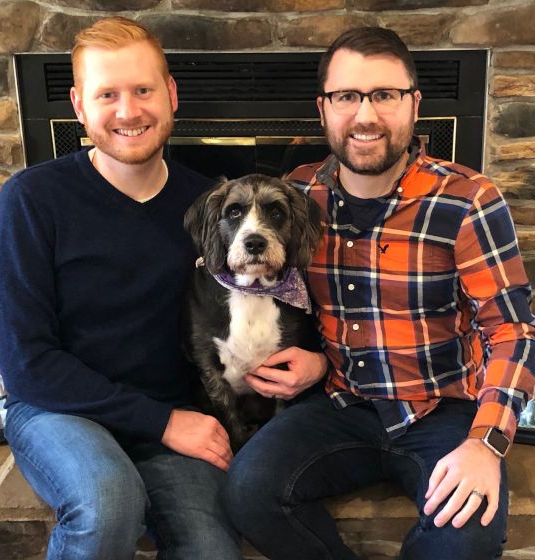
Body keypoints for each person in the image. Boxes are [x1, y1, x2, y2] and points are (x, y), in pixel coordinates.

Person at [223, 26, 535, 559]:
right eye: (346, 95)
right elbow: (275, 290)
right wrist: (318, 363)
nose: (365, 115)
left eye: (384, 94)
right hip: (340, 403)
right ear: (323, 108)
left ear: (414, 103)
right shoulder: (295, 197)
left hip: (443, 409)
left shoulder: (467, 200)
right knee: (247, 492)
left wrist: (486, 443)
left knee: (468, 535)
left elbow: (513, 330)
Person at [0, 17, 241, 560]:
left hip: (172, 413)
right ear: (79, 106)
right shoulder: (32, 200)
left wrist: (309, 361)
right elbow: (26, 364)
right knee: (108, 504)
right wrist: (162, 422)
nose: (128, 111)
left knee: (214, 551)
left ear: (171, 94)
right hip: (58, 411)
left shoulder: (210, 206)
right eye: (108, 95)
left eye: (143, 90)